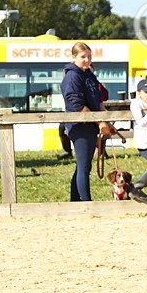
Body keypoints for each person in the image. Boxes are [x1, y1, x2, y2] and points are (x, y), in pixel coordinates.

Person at [61, 42, 103, 201]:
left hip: (90, 124)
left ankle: (75, 200)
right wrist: (99, 121)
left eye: (89, 56)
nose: (87, 60)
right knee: (84, 167)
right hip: (80, 125)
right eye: (83, 57)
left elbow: (98, 98)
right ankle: (86, 202)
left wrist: (104, 119)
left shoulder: (88, 75)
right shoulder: (73, 76)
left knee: (83, 165)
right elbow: (76, 104)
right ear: (74, 57)